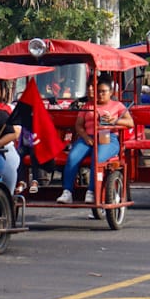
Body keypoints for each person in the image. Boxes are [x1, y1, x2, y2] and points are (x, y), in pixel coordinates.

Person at [57, 76, 133, 204]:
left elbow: (130, 123)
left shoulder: (117, 105)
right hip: (88, 138)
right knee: (72, 157)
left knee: (97, 158)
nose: (100, 94)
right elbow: (78, 125)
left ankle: (91, 191)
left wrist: (114, 121)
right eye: (98, 91)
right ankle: (67, 192)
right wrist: (85, 137)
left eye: (104, 91)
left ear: (111, 92)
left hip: (108, 138)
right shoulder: (88, 105)